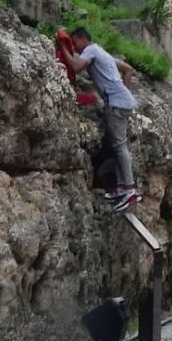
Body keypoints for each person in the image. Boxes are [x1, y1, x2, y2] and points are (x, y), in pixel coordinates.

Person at [59, 27, 141, 212]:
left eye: (75, 43)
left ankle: (129, 190)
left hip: (117, 104)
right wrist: (124, 93)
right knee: (117, 145)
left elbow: (76, 67)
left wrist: (63, 47)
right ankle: (122, 188)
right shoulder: (102, 52)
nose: (76, 48)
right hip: (122, 102)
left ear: (82, 38)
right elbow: (128, 70)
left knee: (120, 146)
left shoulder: (91, 50)